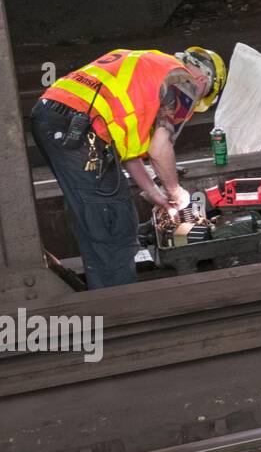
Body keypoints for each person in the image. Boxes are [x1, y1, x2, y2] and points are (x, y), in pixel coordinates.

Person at [31, 46, 226, 288]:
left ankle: (103, 293)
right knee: (114, 222)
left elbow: (127, 152)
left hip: (53, 114)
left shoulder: (149, 64)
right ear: (203, 80)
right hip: (79, 126)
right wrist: (176, 192)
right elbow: (159, 148)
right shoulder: (185, 81)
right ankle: (118, 306)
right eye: (202, 95)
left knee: (94, 214)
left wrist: (155, 194)